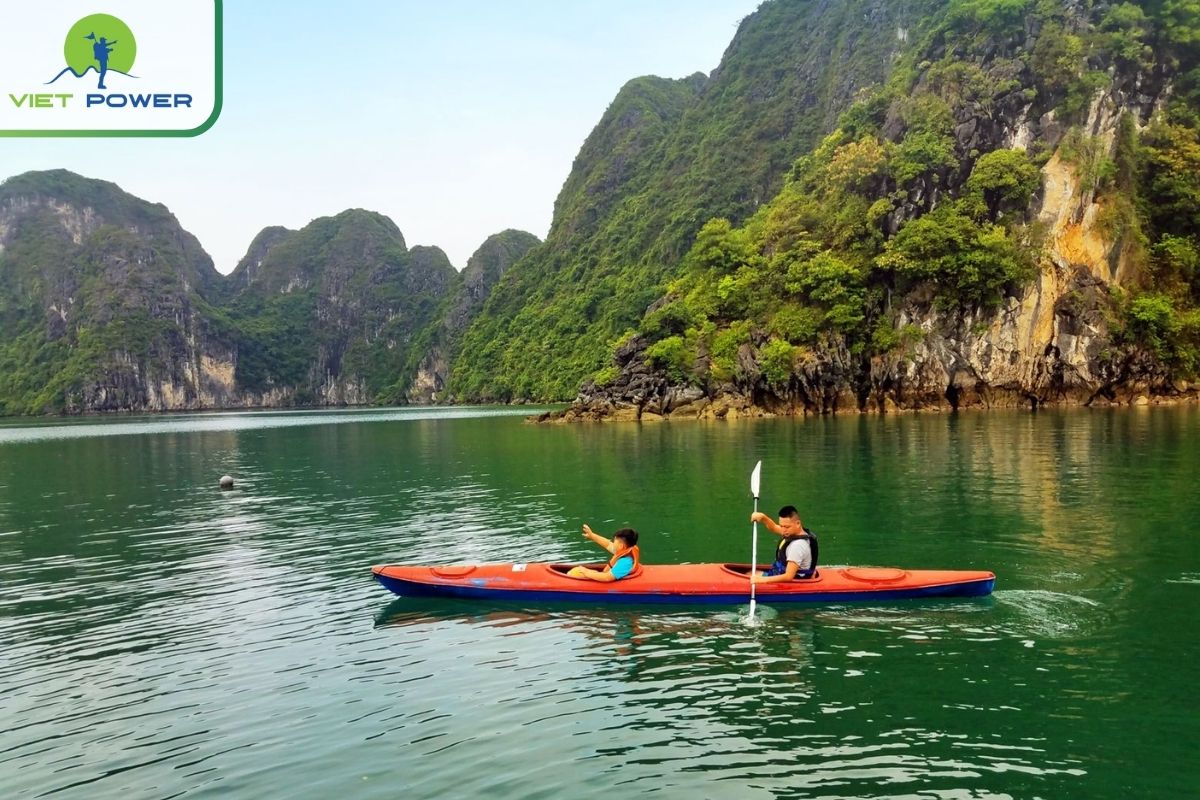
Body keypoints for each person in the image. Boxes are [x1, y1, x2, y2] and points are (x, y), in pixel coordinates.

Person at [748, 505, 818, 583]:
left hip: (791, 581)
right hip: (778, 573)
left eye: (786, 527)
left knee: (749, 576)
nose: (783, 530)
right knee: (749, 573)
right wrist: (764, 518)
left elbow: (788, 576)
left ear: (798, 523)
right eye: (781, 526)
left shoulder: (797, 546)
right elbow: (774, 527)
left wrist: (762, 580)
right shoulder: (791, 532)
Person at [567, 524, 640, 582]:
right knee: (575, 572)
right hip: (607, 574)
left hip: (609, 578)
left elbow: (607, 578)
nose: (612, 543)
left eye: (614, 541)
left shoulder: (625, 562)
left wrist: (586, 573)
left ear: (621, 545)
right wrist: (592, 536)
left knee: (575, 573)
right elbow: (607, 544)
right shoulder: (623, 550)